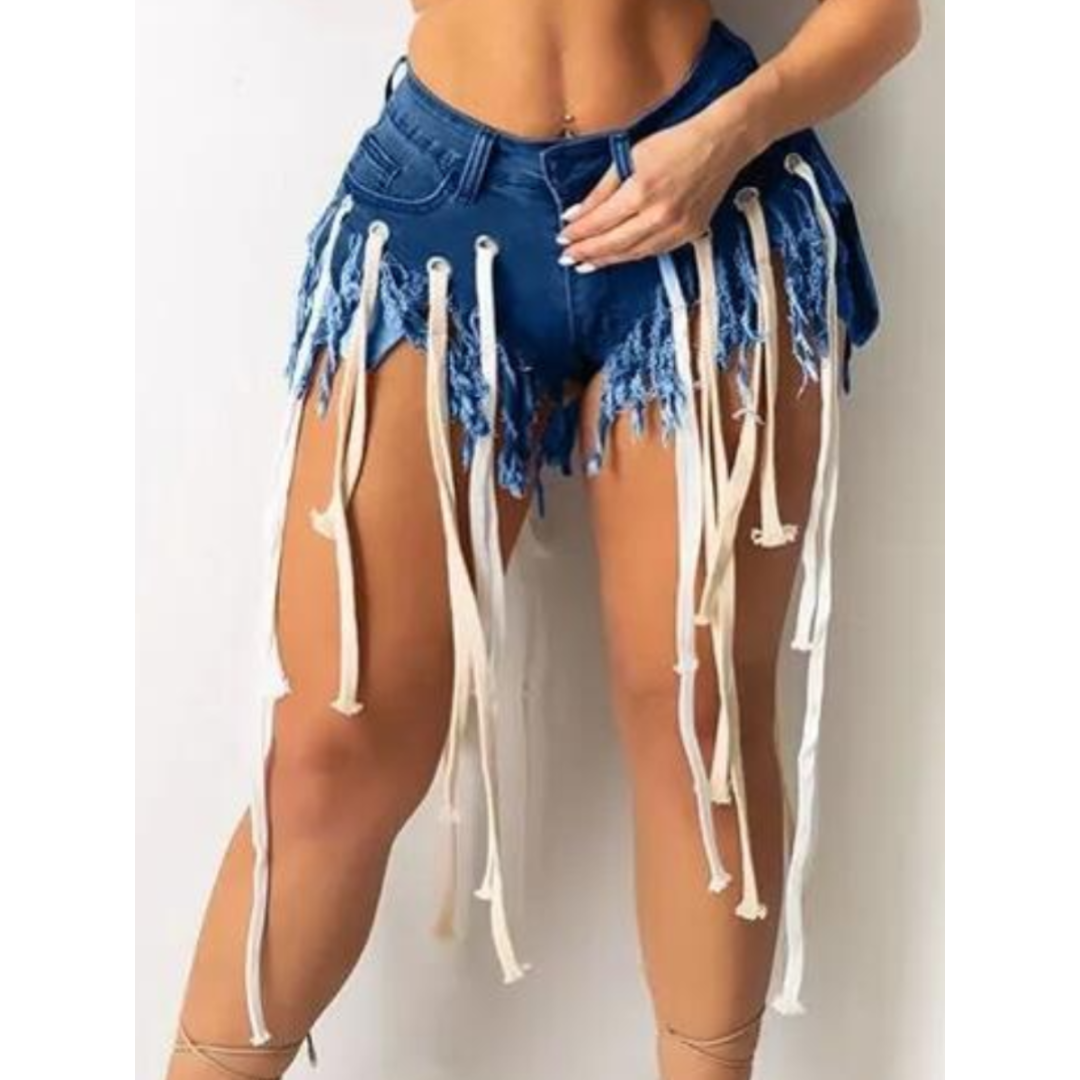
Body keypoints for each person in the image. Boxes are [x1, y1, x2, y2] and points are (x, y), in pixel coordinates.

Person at [166, 1, 920, 1076]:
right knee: (327, 753)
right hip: (437, 209)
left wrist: (730, 134)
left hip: (706, 183)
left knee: (697, 715)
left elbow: (884, 17)